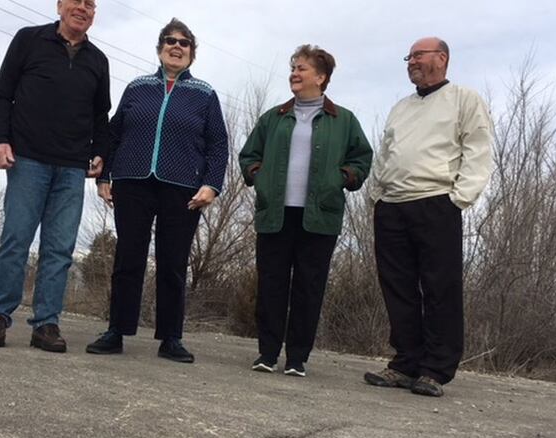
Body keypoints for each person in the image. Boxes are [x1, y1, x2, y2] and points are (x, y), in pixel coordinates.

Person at [85, 18, 228, 363]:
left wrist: (211, 184)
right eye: (169, 41)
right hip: (132, 182)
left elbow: (218, 145)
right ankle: (116, 331)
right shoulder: (137, 88)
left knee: (173, 262)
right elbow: (114, 132)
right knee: (128, 258)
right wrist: (105, 177)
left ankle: (171, 338)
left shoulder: (204, 94)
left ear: (192, 54)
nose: (176, 46)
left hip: (182, 188)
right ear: (159, 48)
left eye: (183, 43)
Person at [0, 0, 110, 353]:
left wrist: (101, 153)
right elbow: (2, 94)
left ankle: (46, 324)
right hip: (28, 160)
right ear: (59, 5)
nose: (82, 8)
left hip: (71, 167)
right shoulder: (28, 40)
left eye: (90, 4)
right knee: (16, 239)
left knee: (60, 248)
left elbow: (101, 115)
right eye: (76, 1)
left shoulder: (98, 61)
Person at [365, 37, 493, 396]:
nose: (411, 61)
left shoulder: (464, 99)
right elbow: (387, 153)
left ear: (442, 58)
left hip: (436, 202)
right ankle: (405, 362)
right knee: (398, 287)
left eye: (418, 55)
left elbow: (478, 149)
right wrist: (376, 195)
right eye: (409, 57)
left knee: (440, 288)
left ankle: (435, 369)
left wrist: (458, 199)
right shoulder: (400, 108)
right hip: (391, 205)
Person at [239, 45, 373, 377]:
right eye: (293, 69)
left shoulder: (343, 120)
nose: (294, 74)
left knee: (308, 287)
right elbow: (248, 155)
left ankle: (297, 358)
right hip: (276, 214)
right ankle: (267, 353)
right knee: (271, 285)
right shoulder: (274, 117)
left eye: (302, 68)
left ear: (321, 76)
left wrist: (341, 178)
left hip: (320, 217)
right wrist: (260, 177)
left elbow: (362, 158)